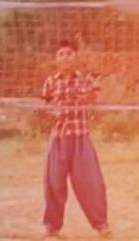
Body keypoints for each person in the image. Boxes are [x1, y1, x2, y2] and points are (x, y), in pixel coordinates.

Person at [41, 40, 112, 238]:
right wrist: (53, 110)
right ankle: (52, 227)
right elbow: (44, 106)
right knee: (54, 183)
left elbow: (96, 98)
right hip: (59, 137)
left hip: (81, 136)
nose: (65, 57)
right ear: (56, 59)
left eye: (69, 53)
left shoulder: (86, 80)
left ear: (76, 57)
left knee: (90, 182)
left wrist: (86, 98)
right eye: (61, 54)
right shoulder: (50, 82)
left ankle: (101, 224)